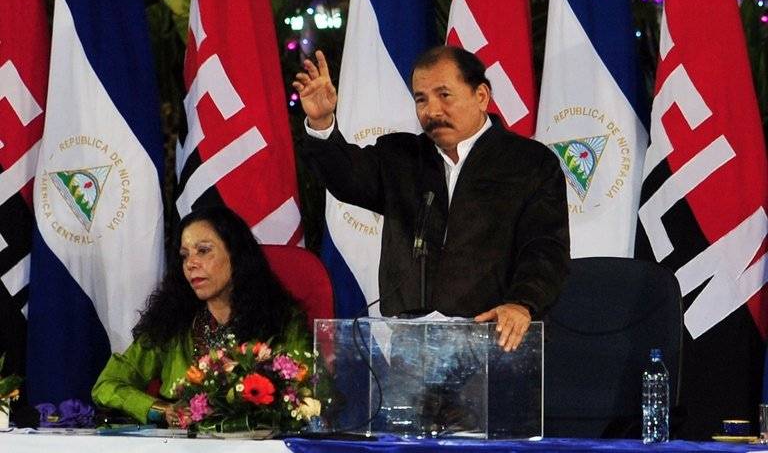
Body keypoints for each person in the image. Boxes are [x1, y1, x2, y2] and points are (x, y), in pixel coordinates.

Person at [294, 46, 569, 352]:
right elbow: (346, 178)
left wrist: (522, 303)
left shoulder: (529, 163)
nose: (432, 111)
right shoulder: (402, 158)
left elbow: (545, 247)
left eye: (444, 95)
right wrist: (321, 123)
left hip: (497, 341)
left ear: (481, 96)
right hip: (412, 347)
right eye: (421, 99)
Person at [91, 206, 307, 426]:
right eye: (185, 256)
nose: (191, 264)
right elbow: (107, 385)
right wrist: (161, 410)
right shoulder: (171, 321)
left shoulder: (281, 320)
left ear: (236, 254)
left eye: (203, 251)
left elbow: (304, 395)